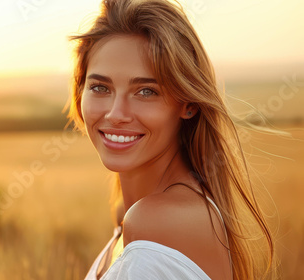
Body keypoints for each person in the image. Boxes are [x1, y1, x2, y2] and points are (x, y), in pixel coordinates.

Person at [67, 0, 275, 279]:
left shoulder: (153, 222)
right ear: (80, 92)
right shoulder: (131, 212)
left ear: (188, 103)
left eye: (146, 92)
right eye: (100, 87)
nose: (116, 114)